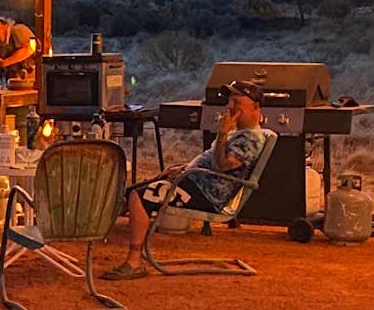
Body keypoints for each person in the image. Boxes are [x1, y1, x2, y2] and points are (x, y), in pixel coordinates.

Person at [103, 81, 267, 281]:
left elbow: (221, 166)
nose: (230, 106)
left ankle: (134, 262)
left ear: (255, 107)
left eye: (237, 101)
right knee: (133, 191)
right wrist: (184, 168)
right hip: (196, 183)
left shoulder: (250, 138)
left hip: (207, 195)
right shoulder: (239, 132)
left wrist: (222, 133)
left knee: (141, 196)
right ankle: (107, 236)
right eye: (230, 101)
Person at [0, 13, 37, 87]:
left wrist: (5, 62)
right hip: (18, 84)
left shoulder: (18, 29)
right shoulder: (6, 45)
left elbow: (29, 49)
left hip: (31, 81)